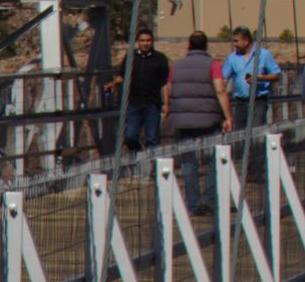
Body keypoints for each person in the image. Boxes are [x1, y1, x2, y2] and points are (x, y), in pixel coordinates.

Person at [162, 31, 233, 216]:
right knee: (214, 160)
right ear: (206, 45)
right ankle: (208, 198)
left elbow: (168, 88)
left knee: (189, 163)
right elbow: (220, 89)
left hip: (183, 121)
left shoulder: (176, 66)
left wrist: (168, 107)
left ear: (189, 45)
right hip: (208, 119)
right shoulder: (213, 65)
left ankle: (192, 203)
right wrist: (228, 117)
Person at [111, 27, 171, 155]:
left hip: (152, 103)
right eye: (142, 40)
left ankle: (151, 169)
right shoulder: (131, 57)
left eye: (148, 40)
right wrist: (112, 83)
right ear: (138, 42)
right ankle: (139, 156)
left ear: (152, 41)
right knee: (129, 136)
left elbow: (164, 83)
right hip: (134, 103)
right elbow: (122, 76)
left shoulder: (160, 59)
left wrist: (166, 103)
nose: (145, 43)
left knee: (152, 139)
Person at [219, 26, 283, 129]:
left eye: (236, 41)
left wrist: (259, 78)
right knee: (240, 133)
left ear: (246, 41)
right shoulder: (232, 58)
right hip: (240, 103)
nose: (234, 44)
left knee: (256, 131)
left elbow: (276, 75)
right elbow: (223, 79)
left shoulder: (263, 55)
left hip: (258, 102)